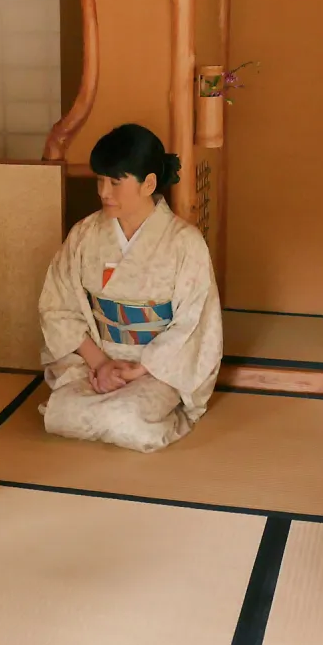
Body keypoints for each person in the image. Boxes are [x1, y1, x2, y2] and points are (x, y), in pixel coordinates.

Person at [37, 123, 223, 452]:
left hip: (158, 367)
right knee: (60, 413)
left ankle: (155, 409)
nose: (103, 192)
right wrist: (100, 364)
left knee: (127, 417)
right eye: (100, 180)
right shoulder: (84, 234)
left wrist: (139, 369)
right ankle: (119, 403)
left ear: (148, 183)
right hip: (95, 361)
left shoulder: (185, 243)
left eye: (115, 182)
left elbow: (194, 325)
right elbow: (57, 306)